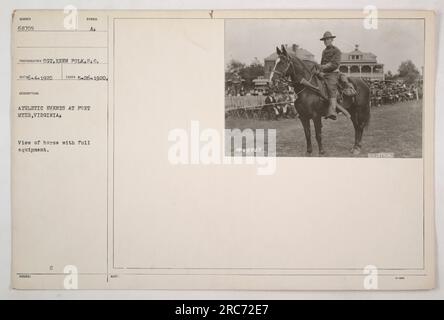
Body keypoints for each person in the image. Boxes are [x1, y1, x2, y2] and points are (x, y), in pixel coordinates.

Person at [317, 31, 342, 120]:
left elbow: (335, 64)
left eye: (327, 39)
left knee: (331, 87)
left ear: (332, 40)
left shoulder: (337, 51)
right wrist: (319, 70)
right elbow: (321, 63)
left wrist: (322, 67)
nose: (326, 41)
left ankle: (332, 111)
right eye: (324, 40)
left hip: (333, 73)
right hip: (324, 73)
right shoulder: (324, 51)